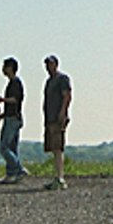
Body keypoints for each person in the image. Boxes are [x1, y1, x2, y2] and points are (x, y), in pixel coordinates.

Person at [42, 54, 72, 190]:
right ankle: (57, 176)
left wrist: (62, 112)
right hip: (49, 117)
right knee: (53, 148)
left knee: (58, 147)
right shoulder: (49, 81)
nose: (49, 67)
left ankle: (60, 177)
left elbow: (67, 96)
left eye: (51, 64)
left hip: (57, 117)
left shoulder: (62, 79)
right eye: (47, 64)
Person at [0, 58, 27, 184]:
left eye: (4, 66)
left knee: (4, 147)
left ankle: (19, 169)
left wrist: (3, 100)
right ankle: (11, 174)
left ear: (10, 68)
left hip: (13, 119)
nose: (2, 69)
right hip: (11, 117)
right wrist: (2, 115)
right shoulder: (11, 83)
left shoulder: (15, 83)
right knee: (12, 148)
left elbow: (15, 100)